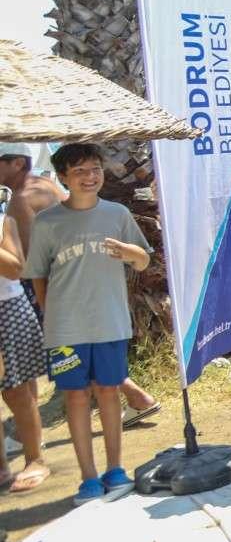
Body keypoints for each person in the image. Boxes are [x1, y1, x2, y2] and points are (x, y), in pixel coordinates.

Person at [23, 144, 151, 504]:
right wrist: (52, 316)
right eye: (79, 171)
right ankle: (88, 477)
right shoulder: (47, 221)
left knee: (108, 391)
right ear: (63, 177)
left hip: (110, 322)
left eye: (95, 169)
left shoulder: (117, 213)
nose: (89, 177)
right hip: (65, 329)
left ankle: (115, 469)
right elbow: (38, 276)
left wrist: (130, 253)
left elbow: (143, 260)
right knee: (76, 397)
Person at [1, 143, 161, 427]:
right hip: (81, 279)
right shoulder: (45, 185)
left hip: (58, 287)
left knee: (73, 354)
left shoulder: (22, 198)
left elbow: (29, 260)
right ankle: (134, 397)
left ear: (17, 163)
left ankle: (135, 397)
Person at [0, 186, 49, 493]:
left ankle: (35, 459)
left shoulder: (4, 221)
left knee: (17, 392)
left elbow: (16, 268)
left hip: (6, 307)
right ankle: (2, 467)